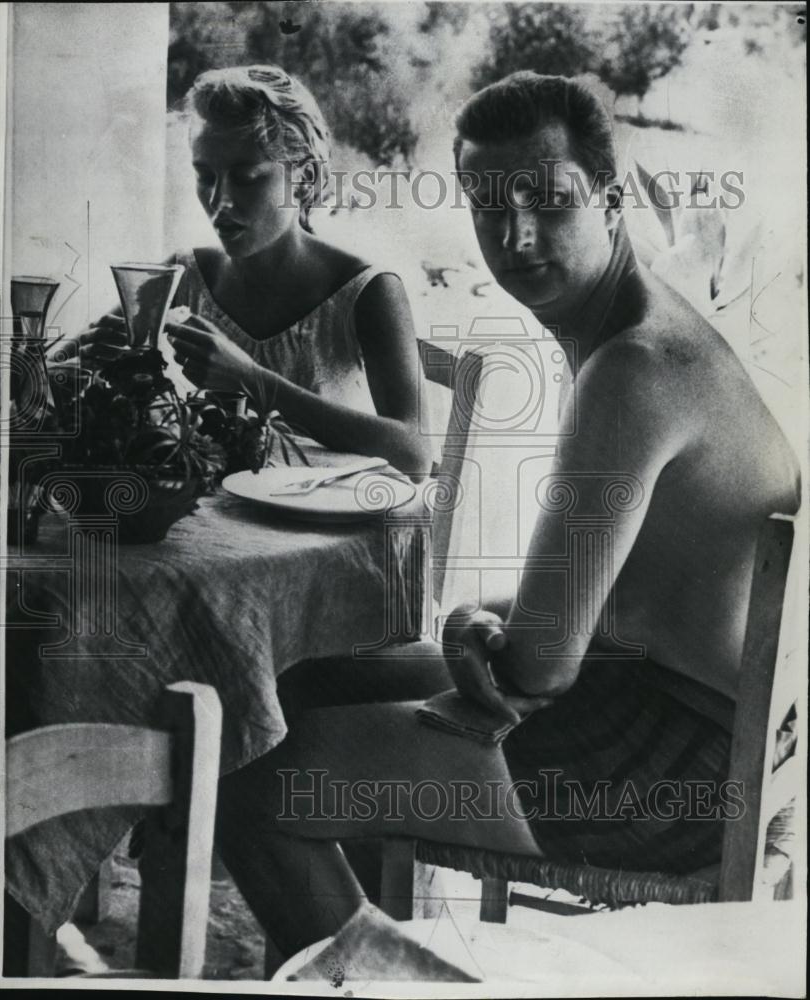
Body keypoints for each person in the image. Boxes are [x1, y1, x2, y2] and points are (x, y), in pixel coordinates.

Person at [209, 72, 801, 960]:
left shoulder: (634, 366)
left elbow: (539, 664)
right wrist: (491, 632)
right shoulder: (640, 327)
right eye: (487, 206)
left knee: (247, 782)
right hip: (700, 714)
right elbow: (576, 613)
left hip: (673, 771)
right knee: (296, 687)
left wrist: (476, 633)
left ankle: (375, 980)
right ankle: (387, 944)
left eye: (547, 200)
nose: (514, 235)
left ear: (608, 200)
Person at [70, 64, 431, 476]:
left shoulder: (366, 290)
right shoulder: (183, 275)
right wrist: (80, 361)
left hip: (326, 523)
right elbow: (58, 364)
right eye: (205, 176)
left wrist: (253, 380)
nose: (219, 202)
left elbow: (415, 453)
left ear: (304, 177)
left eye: (246, 179)